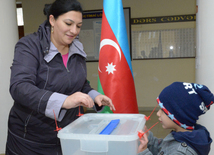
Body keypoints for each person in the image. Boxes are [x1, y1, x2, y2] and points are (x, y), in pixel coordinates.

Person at [6, 0, 115, 154]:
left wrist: (94, 96)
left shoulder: (77, 48)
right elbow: (19, 87)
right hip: (32, 138)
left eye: (78, 26)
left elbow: (80, 84)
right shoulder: (29, 46)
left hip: (69, 132)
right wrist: (64, 101)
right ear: (52, 20)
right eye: (68, 23)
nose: (74, 30)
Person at [138, 82, 213, 155]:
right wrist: (149, 139)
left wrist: (143, 153)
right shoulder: (182, 135)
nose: (158, 113)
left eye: (163, 110)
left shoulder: (180, 152)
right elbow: (163, 149)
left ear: (180, 116)